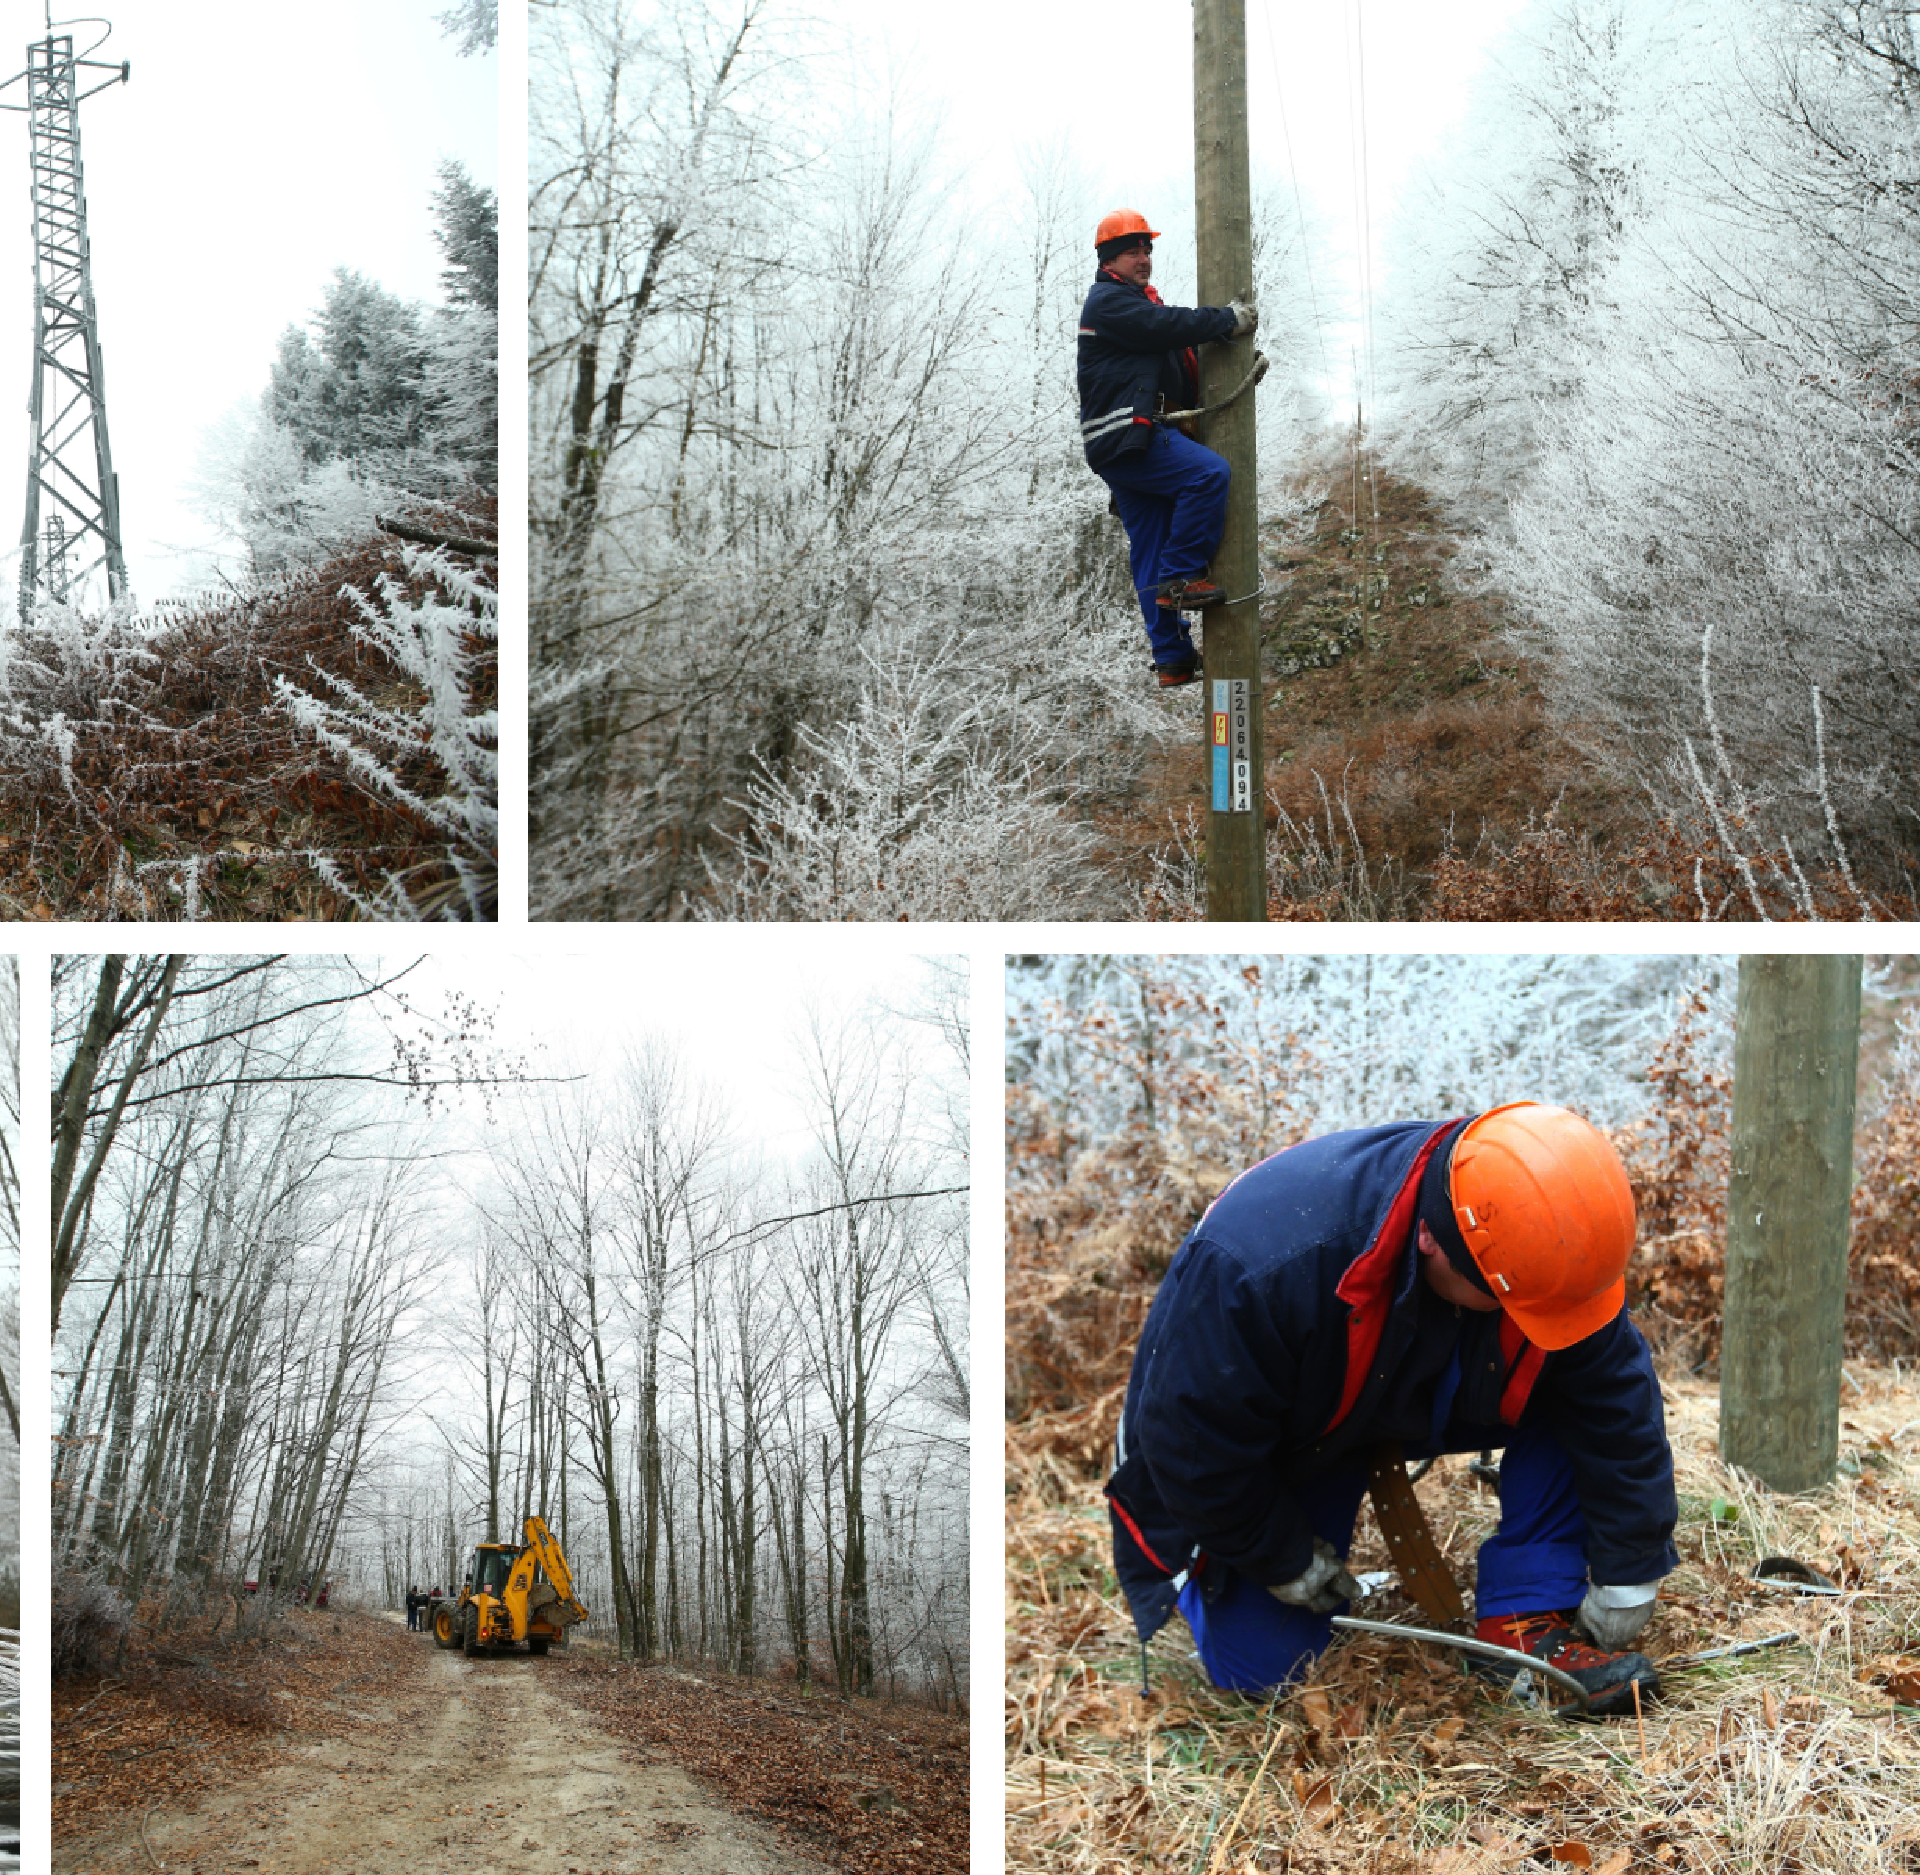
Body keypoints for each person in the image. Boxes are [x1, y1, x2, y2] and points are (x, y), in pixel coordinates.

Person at [1105, 1102, 1678, 1716]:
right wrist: (1280, 1554)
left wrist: (1630, 1566)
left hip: (1443, 1381)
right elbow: (1191, 1444)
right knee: (1266, 1673)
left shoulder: (1546, 1240)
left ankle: (1523, 1612)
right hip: (1301, 1426)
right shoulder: (1259, 1264)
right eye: (1503, 1299)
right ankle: (1215, 1584)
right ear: (1431, 1235)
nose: (1526, 1317)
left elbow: (1614, 1400)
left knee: (1567, 1370)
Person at [1076, 209, 1257, 688]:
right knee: (1208, 474)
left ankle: (1172, 656)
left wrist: (1234, 363)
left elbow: (1176, 358)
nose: (1144, 259)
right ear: (1110, 259)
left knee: (1150, 550)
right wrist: (1225, 322)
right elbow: (1164, 327)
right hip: (1129, 438)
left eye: (1148, 250)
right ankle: (1182, 577)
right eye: (1133, 251)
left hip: (1120, 446)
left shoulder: (1134, 310)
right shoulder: (1110, 302)